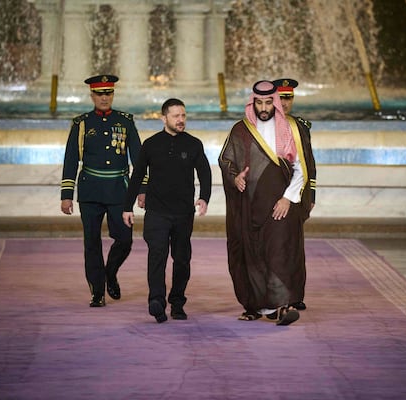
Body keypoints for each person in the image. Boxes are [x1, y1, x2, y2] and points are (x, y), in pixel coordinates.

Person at [218, 80, 316, 326]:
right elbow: (225, 160)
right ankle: (255, 306)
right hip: (249, 205)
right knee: (251, 254)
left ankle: (283, 307)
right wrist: (235, 177)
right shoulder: (241, 129)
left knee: (280, 254)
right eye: (259, 103)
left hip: (281, 204)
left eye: (268, 102)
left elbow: (301, 169)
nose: (264, 108)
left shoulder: (292, 128)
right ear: (253, 102)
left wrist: (288, 198)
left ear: (275, 102)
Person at [123, 98, 212, 323]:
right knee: (157, 255)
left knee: (182, 259)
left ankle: (178, 301)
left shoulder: (194, 144)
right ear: (164, 118)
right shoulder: (151, 144)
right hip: (157, 212)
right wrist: (127, 206)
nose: (181, 120)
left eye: (183, 115)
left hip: (183, 213)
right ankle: (157, 300)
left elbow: (205, 173)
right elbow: (137, 175)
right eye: (176, 116)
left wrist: (204, 198)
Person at [61, 74, 142, 307]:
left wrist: (142, 189)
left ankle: (110, 273)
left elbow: (138, 157)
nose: (104, 97)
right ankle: (97, 291)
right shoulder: (81, 123)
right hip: (90, 191)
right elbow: (70, 160)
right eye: (100, 93)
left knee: (124, 240)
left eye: (108, 93)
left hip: (119, 190)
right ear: (92, 95)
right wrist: (67, 195)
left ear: (113, 94)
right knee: (92, 243)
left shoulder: (125, 121)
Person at [273, 78, 317, 310]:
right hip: (272, 196)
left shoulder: (301, 126)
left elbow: (309, 162)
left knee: (295, 248)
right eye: (281, 97)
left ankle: (295, 295)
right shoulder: (263, 127)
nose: (285, 102)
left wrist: (311, 196)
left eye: (288, 97)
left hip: (297, 196)